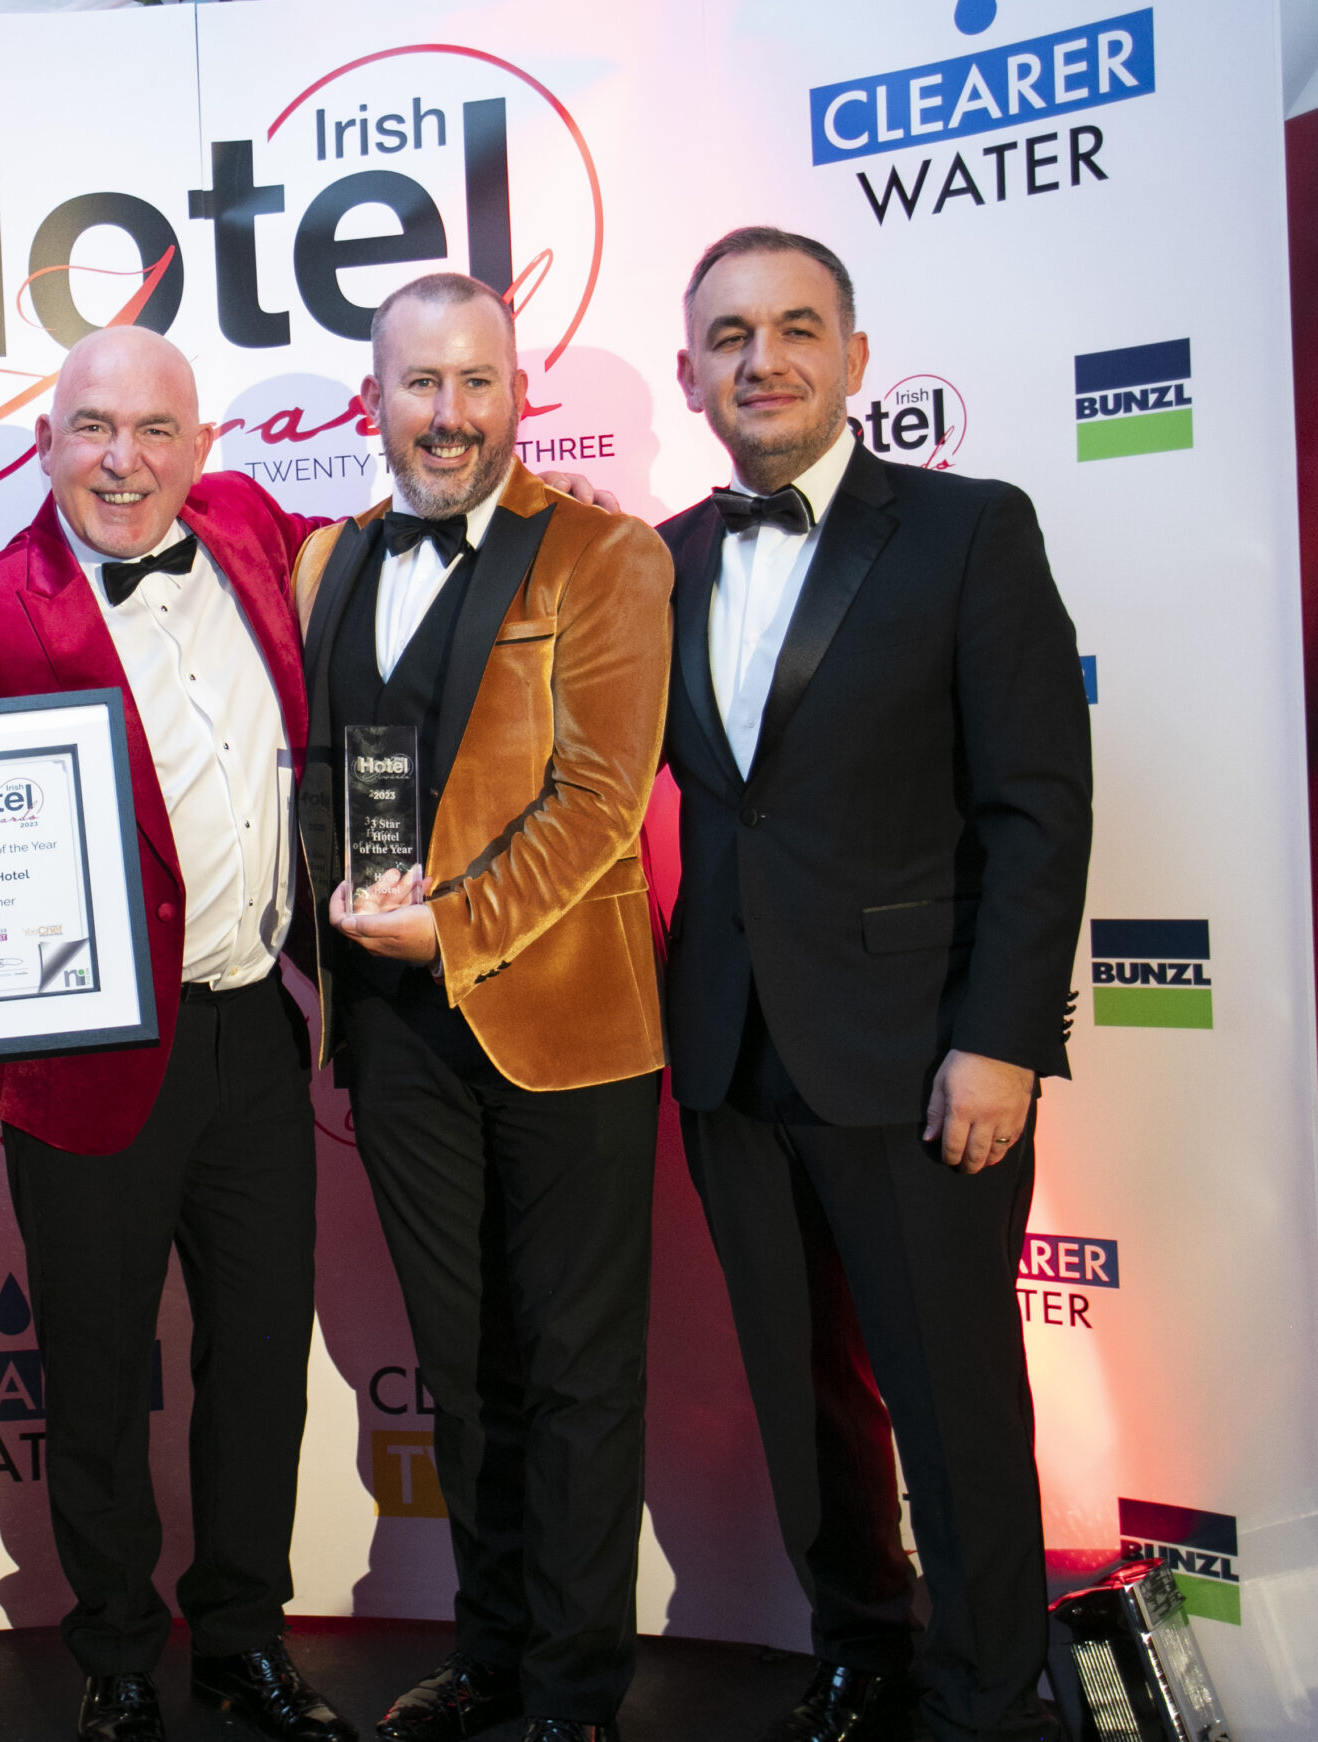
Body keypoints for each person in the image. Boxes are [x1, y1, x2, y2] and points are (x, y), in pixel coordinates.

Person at [0, 324, 358, 1742]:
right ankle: (113, 1652)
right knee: (96, 1374)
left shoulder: (245, 527)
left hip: (253, 1037)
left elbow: (392, 549)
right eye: (92, 427)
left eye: (155, 430)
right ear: (48, 442)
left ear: (203, 450)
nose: (124, 460)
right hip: (89, 1064)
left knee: (258, 1359)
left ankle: (243, 1637)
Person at [658, 228, 1090, 1742]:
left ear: (852, 356)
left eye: (793, 329)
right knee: (804, 1397)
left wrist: (1001, 1040)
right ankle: (862, 1647)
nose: (759, 359)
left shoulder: (969, 530)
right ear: (691, 370)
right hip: (724, 1048)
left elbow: (1039, 805)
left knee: (956, 1400)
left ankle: (986, 1695)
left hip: (920, 1055)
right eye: (728, 335)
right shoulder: (664, 557)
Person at [294, 272, 672, 1742]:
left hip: (565, 1025)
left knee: (575, 1370)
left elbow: (599, 803)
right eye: (418, 385)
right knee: (462, 1366)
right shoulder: (329, 564)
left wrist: (448, 926)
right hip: (392, 1040)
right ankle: (498, 1649)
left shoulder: (603, 555)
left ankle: (575, 1692)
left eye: (476, 384)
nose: (447, 414)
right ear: (372, 401)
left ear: (518, 396)